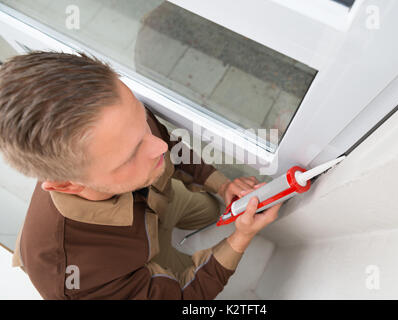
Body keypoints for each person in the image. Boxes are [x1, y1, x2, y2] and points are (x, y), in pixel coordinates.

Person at [0, 51, 282, 299]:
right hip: (128, 264)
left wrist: (221, 185)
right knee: (185, 273)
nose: (160, 146)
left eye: (141, 121)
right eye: (130, 155)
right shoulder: (80, 281)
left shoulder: (112, 116)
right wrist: (241, 237)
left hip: (152, 206)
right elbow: (185, 296)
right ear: (67, 184)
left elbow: (165, 143)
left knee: (210, 209)